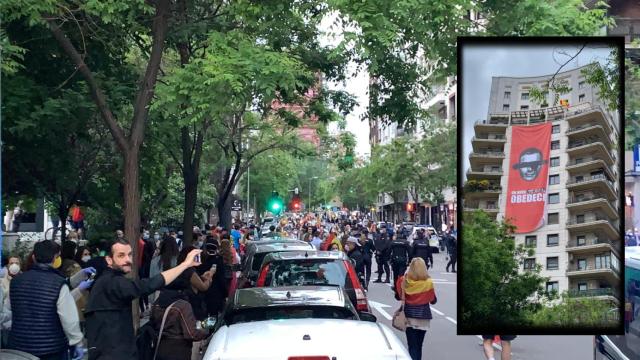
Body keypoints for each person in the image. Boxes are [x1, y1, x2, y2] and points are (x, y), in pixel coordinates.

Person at [85, 238, 203, 360]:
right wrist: (184, 265)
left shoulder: (107, 281)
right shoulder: (112, 282)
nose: (128, 260)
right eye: (121, 255)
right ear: (109, 260)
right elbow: (148, 285)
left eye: (129, 254)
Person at [8, 240, 86, 360]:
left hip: (18, 347)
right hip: (52, 349)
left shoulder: (15, 282)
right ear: (55, 258)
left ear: (33, 257)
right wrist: (77, 342)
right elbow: (69, 319)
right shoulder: (58, 283)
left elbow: (9, 311)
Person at [151, 275, 211, 360]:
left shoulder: (156, 303)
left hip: (160, 349)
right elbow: (192, 334)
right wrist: (205, 329)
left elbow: (153, 324)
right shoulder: (182, 305)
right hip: (178, 351)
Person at [397, 258, 437, 360]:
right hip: (424, 317)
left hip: (409, 316)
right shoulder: (428, 282)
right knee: (419, 346)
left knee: (412, 346)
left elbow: (398, 296)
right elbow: (433, 300)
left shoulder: (404, 280)